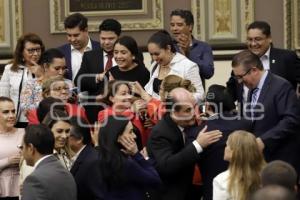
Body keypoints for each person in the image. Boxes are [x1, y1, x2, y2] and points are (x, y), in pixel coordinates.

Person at [231, 50, 300, 173]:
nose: (239, 81)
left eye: (241, 77)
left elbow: (291, 120)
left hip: (279, 160)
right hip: (259, 161)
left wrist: (264, 141)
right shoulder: (252, 89)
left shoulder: (281, 86)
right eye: (237, 77)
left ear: (254, 70)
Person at [147, 88, 222, 200]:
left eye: (195, 107)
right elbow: (167, 166)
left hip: (190, 190)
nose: (194, 113)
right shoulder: (160, 133)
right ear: (173, 112)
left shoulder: (190, 123)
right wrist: (198, 145)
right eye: (187, 110)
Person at [187, 84, 252, 200]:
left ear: (207, 106)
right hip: (247, 190)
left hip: (213, 192)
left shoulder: (197, 132)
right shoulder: (246, 124)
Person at [227, 21, 300, 102]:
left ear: (269, 38)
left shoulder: (286, 58)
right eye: (250, 39)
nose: (253, 44)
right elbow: (231, 93)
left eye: (258, 39)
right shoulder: (241, 60)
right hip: (246, 113)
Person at [97, 115, 161, 199]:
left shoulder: (100, 157)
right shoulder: (125, 164)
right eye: (130, 132)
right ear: (118, 137)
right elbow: (155, 181)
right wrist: (139, 156)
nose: (135, 136)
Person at [74, 18, 121, 123]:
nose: (107, 42)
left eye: (111, 38)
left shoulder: (128, 55)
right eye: (103, 38)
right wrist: (97, 77)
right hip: (94, 113)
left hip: (121, 111)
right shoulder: (90, 56)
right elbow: (78, 81)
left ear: (119, 37)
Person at [145, 30, 204, 102]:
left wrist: (177, 100)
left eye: (157, 54)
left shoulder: (188, 66)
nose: (154, 58)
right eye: (151, 54)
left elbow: (200, 95)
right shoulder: (154, 66)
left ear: (168, 48)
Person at [20, 124, 76, 200]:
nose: (21, 152)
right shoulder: (66, 173)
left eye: (22, 147)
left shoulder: (34, 180)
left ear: (30, 148)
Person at [0, 33, 45, 127]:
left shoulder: (47, 68)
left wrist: (42, 76)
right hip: (15, 119)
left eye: (38, 49)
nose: (36, 54)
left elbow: (51, 93)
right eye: (31, 50)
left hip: (40, 120)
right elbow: (3, 97)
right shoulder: (10, 69)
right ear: (21, 52)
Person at [213, 130, 266, 200]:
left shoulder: (221, 180)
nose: (225, 148)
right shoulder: (267, 175)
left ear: (234, 151)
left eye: (227, 145)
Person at [170, 9, 214, 87]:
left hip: (196, 95)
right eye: (172, 25)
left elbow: (208, 73)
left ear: (190, 27)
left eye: (179, 25)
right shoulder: (167, 47)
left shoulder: (203, 47)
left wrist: (188, 54)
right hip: (172, 95)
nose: (174, 28)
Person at [20, 48, 70, 115]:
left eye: (64, 68)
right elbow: (25, 109)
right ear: (46, 66)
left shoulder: (68, 83)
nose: (61, 72)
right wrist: (48, 101)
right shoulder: (32, 84)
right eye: (57, 68)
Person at [68, 116, 103, 200]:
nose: (62, 137)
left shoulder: (93, 162)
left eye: (66, 134)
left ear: (79, 139)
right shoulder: (69, 156)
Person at [58, 13, 100, 80]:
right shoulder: (60, 52)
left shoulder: (100, 48)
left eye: (76, 35)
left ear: (86, 30)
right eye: (69, 35)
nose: (72, 39)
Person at [0, 97, 24, 200]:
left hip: (22, 189)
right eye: (6, 112)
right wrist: (7, 161)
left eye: (13, 111)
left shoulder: (24, 132)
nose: (11, 115)